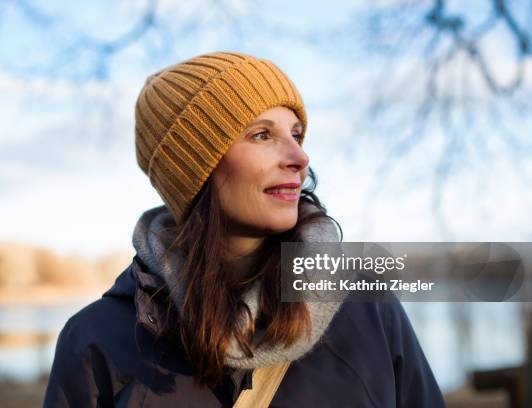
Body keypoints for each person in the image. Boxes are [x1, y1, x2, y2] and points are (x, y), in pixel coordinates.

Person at [42, 51, 445, 407]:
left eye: (296, 134)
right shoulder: (96, 339)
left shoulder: (366, 309)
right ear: (194, 171)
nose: (299, 157)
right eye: (261, 134)